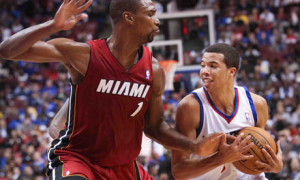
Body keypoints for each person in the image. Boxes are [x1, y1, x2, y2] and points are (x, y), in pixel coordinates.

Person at [0, 0, 233, 179]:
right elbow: (7, 50)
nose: (157, 21)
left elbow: (155, 127)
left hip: (125, 167)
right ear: (128, 17)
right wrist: (53, 25)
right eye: (151, 14)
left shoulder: (154, 70)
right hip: (78, 159)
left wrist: (194, 146)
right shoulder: (84, 55)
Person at [171, 43, 283, 180]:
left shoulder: (257, 104)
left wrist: (275, 166)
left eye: (212, 66)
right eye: (203, 65)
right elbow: (178, 171)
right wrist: (220, 159)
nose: (204, 71)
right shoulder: (190, 107)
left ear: (231, 72)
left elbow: (259, 152)